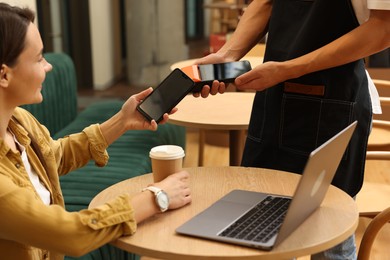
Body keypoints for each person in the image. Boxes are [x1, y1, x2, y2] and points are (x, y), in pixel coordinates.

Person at [194, 0, 390, 259]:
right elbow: (266, 2)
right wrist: (228, 55)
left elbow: (383, 28)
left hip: (331, 104)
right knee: (257, 231)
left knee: (329, 243)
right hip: (274, 94)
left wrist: (289, 69)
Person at [0, 3, 191, 259]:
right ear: (3, 76)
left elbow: (54, 156)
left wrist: (123, 120)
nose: (48, 66)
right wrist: (157, 197)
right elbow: (72, 234)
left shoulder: (18, 121)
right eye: (39, 58)